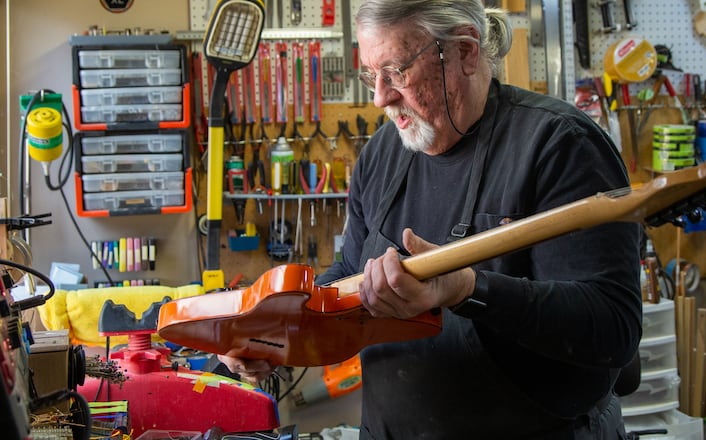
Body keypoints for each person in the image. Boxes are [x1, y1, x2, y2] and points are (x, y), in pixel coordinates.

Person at [220, 0, 643, 438]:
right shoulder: (382, 153)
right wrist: (275, 334)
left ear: (464, 51)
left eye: (396, 72)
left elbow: (612, 328)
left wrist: (468, 290)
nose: (380, 97)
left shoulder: (558, 145)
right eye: (371, 75)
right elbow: (350, 276)